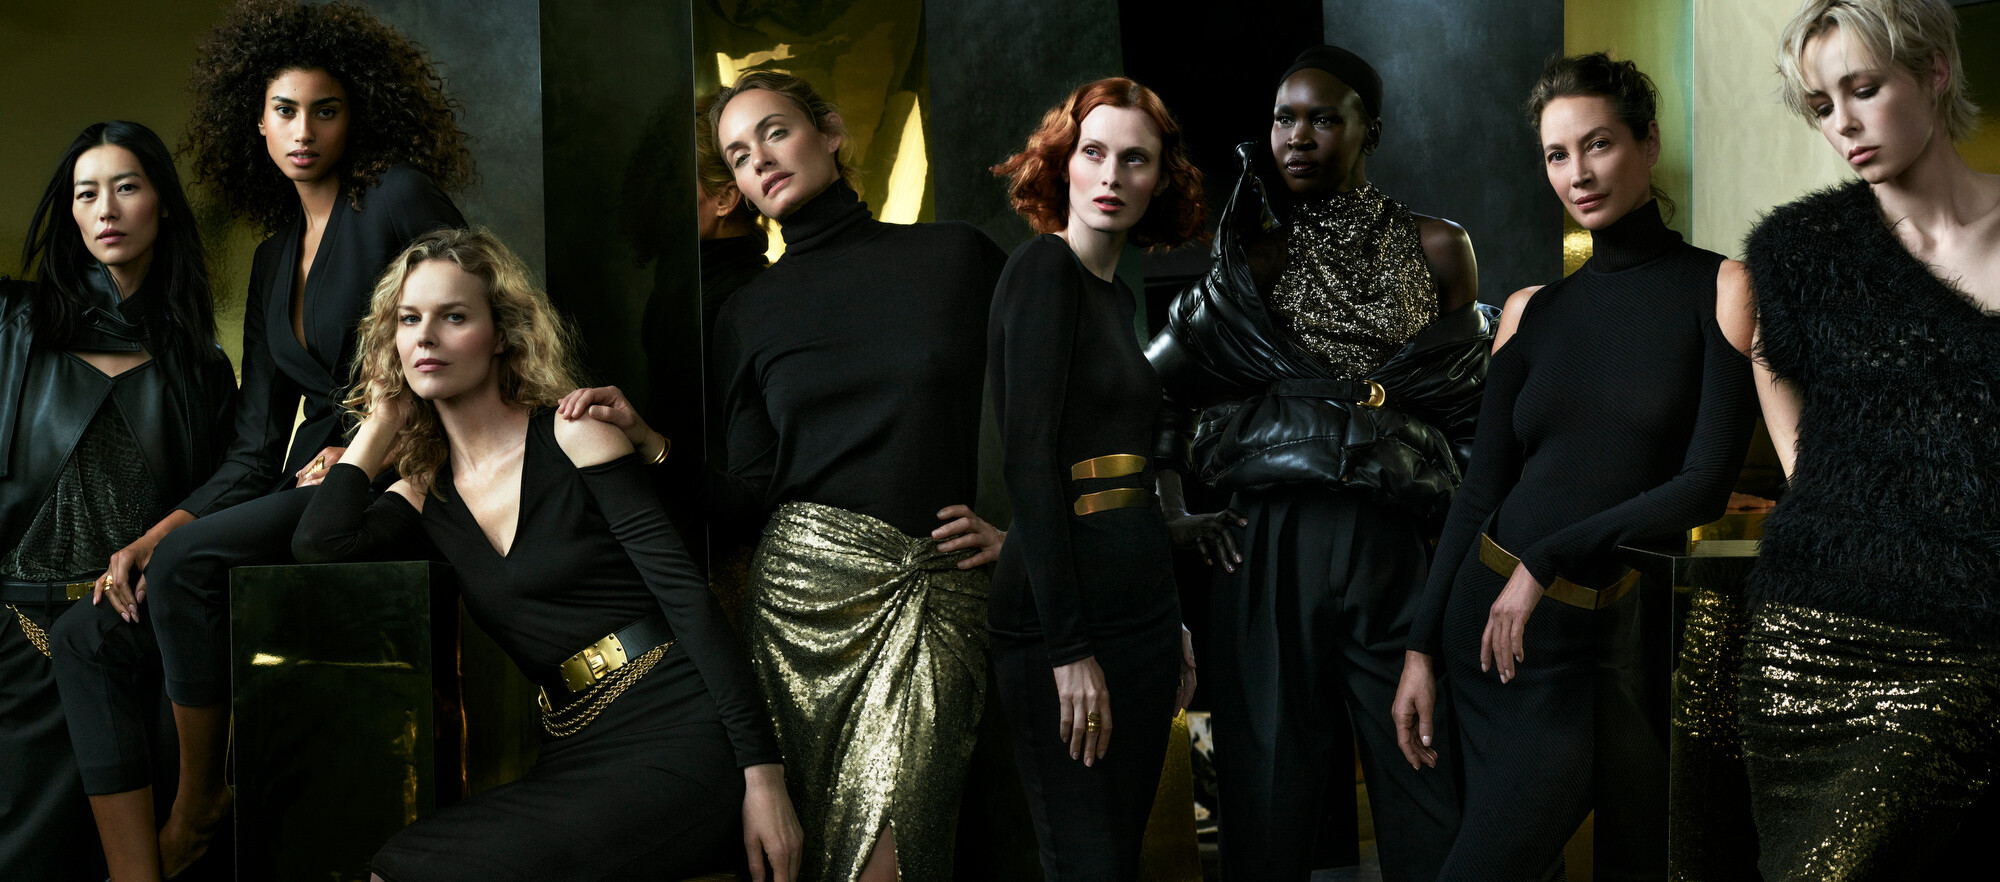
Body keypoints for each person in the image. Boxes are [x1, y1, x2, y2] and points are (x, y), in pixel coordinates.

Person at [558, 70, 1006, 881]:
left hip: (930, 596)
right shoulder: (748, 313)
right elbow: (749, 500)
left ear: (829, 132)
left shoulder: (954, 255)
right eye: (737, 155)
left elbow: (1057, 400)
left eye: (775, 131)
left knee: (894, 856)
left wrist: (1026, 536)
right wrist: (649, 441)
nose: (759, 159)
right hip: (796, 605)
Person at [288, 227, 800, 882]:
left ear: (501, 334)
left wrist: (763, 776)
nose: (425, 338)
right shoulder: (422, 492)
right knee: (396, 866)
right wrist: (381, 420)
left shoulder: (574, 434)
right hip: (574, 748)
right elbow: (320, 544)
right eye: (409, 320)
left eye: (453, 317)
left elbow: (686, 598)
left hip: (681, 732)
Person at [1392, 53, 1757, 881]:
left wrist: (1548, 559)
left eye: (1598, 144)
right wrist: (1418, 650)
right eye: (1557, 154)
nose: (1578, 174)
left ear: (1648, 142)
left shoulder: (1722, 287)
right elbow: (1481, 488)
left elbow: (1702, 484)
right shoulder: (1531, 310)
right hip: (1485, 626)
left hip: (1597, 632)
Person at [128, 0, 472, 873]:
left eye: (326, 110)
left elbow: (476, 325)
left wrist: (369, 446)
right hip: (314, 480)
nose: (305, 132)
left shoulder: (395, 197)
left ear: (358, 115)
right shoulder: (274, 256)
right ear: (257, 122)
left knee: (188, 569)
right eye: (285, 111)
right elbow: (254, 441)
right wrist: (161, 528)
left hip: (400, 472)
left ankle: (200, 801)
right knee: (157, 577)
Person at [1144, 45, 1484, 881]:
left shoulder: (1440, 247)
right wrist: (1174, 512)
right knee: (1266, 792)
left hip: (1394, 540)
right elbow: (1155, 394)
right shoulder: (1250, 256)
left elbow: (1470, 411)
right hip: (1267, 539)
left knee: (1424, 768)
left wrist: (1461, 550)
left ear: (1372, 130)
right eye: (1283, 119)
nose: (1297, 136)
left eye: (1323, 118)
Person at [1724, 1, 2000, 877]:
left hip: (1975, 641)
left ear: (1936, 72)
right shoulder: (1796, 252)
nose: (1841, 122)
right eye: (1820, 104)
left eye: (1864, 89)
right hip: (1817, 634)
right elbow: (1801, 455)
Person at [1, 121, 235, 882]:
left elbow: (220, 502)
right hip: (19, 646)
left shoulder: (201, 366)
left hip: (137, 648)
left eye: (126, 187)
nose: (106, 209)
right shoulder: (13, 331)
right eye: (86, 193)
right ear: (69, 212)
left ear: (161, 203)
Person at [985, 77, 1204, 878]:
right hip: (1066, 626)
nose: (1112, 175)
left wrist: (1171, 620)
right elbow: (1029, 463)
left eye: (1135, 159)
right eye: (1093, 152)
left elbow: (1135, 482)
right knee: (1089, 864)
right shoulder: (1043, 269)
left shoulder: (1113, 300)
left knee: (1120, 858)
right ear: (1063, 164)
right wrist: (1068, 649)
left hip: (1139, 615)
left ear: (1160, 179)